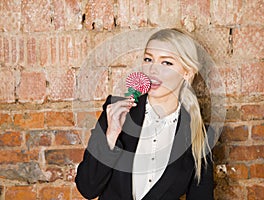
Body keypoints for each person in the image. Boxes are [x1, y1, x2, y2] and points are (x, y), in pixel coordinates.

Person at [75, 28, 214, 200]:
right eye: (149, 59)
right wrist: (111, 135)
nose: (153, 70)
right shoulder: (115, 112)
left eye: (166, 63)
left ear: (187, 73)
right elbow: (87, 188)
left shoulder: (201, 135)